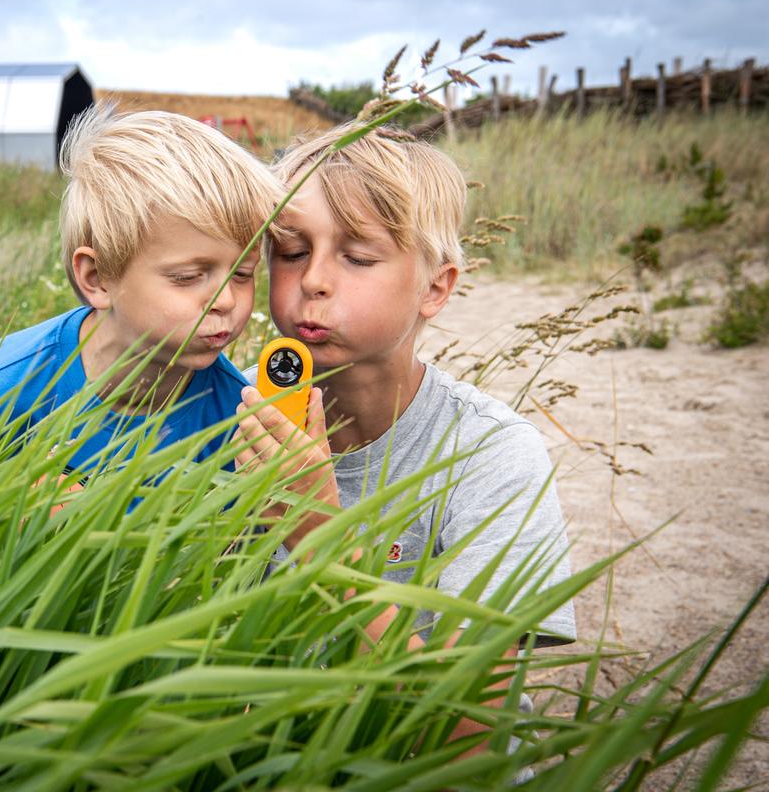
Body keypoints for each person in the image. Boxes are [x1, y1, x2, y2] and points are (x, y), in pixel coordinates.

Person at [233, 122, 576, 760]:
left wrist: (320, 538)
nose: (314, 281)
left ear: (435, 288)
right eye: (291, 251)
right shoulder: (222, 418)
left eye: (358, 257)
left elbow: (471, 735)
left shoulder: (491, 456)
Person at [0, 108, 285, 484]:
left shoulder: (236, 415)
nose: (226, 301)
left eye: (243, 274)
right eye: (187, 277)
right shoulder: (5, 390)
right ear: (98, 278)